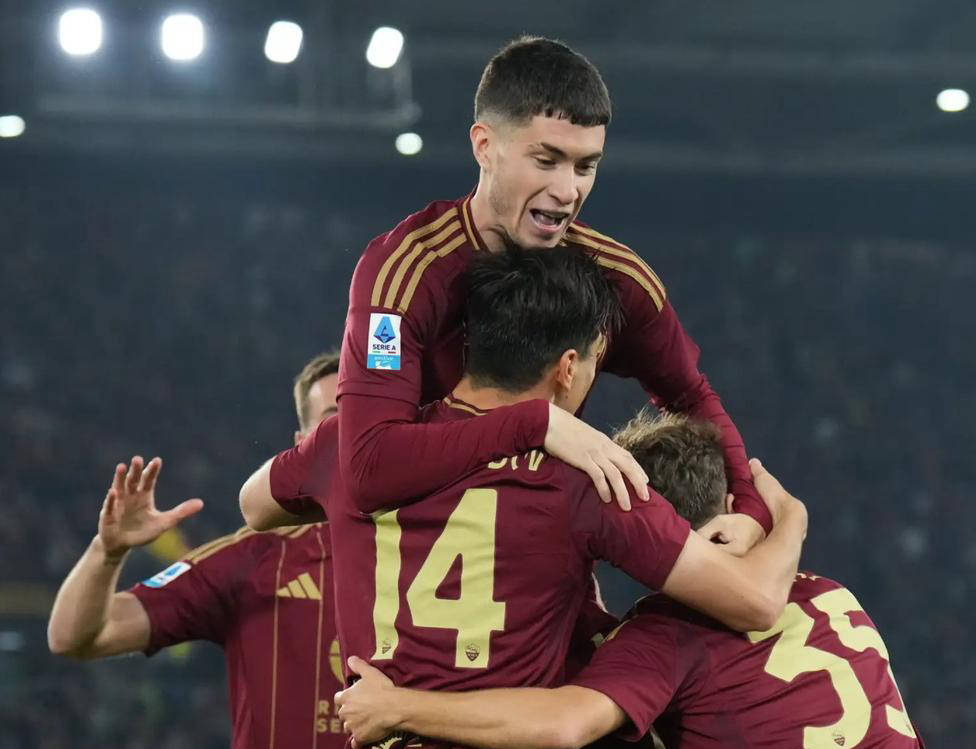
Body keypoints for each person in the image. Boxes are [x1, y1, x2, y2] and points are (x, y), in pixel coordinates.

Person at [242, 246, 807, 749]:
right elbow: (755, 603)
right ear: (568, 366)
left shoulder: (348, 448)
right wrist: (791, 518)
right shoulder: (589, 475)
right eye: (595, 361)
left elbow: (254, 505)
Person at [330, 35, 771, 548]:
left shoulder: (616, 278)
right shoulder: (405, 274)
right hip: (408, 569)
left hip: (539, 565)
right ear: (484, 146)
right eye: (547, 160)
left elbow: (690, 395)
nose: (568, 191)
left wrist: (751, 511)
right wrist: (534, 425)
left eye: (586, 166)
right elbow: (369, 470)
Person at [334, 412, 926, 749]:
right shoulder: (831, 594)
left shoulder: (666, 635)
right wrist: (792, 516)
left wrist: (399, 706)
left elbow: (564, 726)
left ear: (636, 534)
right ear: (727, 504)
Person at [47, 352, 347, 749]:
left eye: (365, 414)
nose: (351, 430)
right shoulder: (254, 561)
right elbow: (74, 637)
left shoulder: (432, 554)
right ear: (302, 445)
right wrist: (108, 551)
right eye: (333, 420)